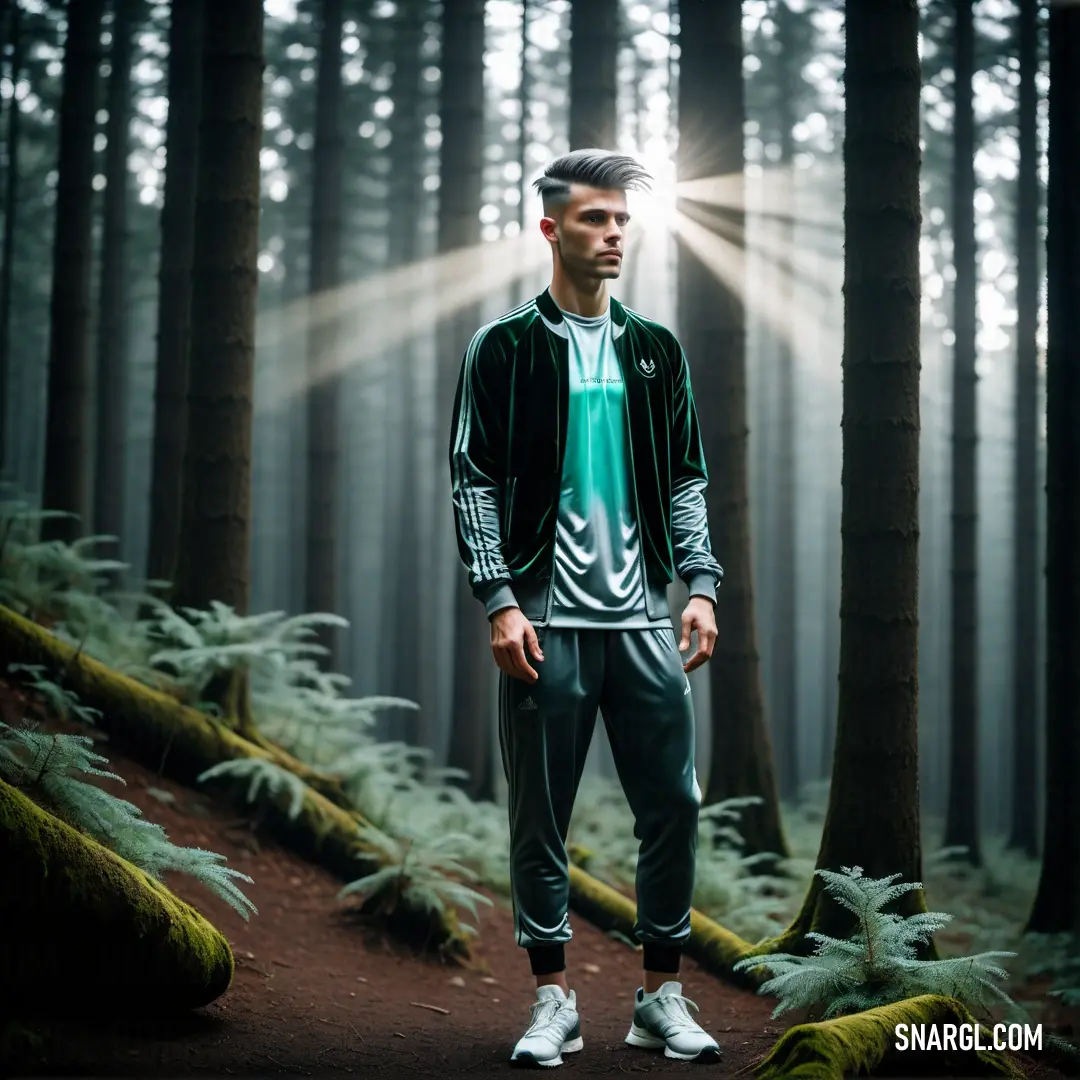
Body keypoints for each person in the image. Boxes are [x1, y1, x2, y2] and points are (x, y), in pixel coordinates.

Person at [448, 149, 724, 1068]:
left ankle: (660, 995)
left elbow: (685, 478)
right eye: (596, 220)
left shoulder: (656, 350)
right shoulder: (504, 348)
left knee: (674, 807)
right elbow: (473, 480)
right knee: (540, 816)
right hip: (544, 622)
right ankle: (552, 998)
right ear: (551, 229)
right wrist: (498, 600)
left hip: (646, 620)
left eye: (622, 221)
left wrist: (702, 584)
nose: (613, 236)